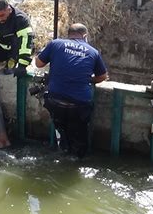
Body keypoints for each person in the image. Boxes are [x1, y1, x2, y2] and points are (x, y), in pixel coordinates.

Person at [34, 23, 108, 158]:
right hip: (79, 105)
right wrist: (88, 80)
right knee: (79, 140)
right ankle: (76, 163)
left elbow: (38, 64)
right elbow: (102, 77)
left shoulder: (55, 44)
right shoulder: (93, 52)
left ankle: (62, 152)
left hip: (55, 101)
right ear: (85, 36)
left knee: (62, 134)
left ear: (68, 34)